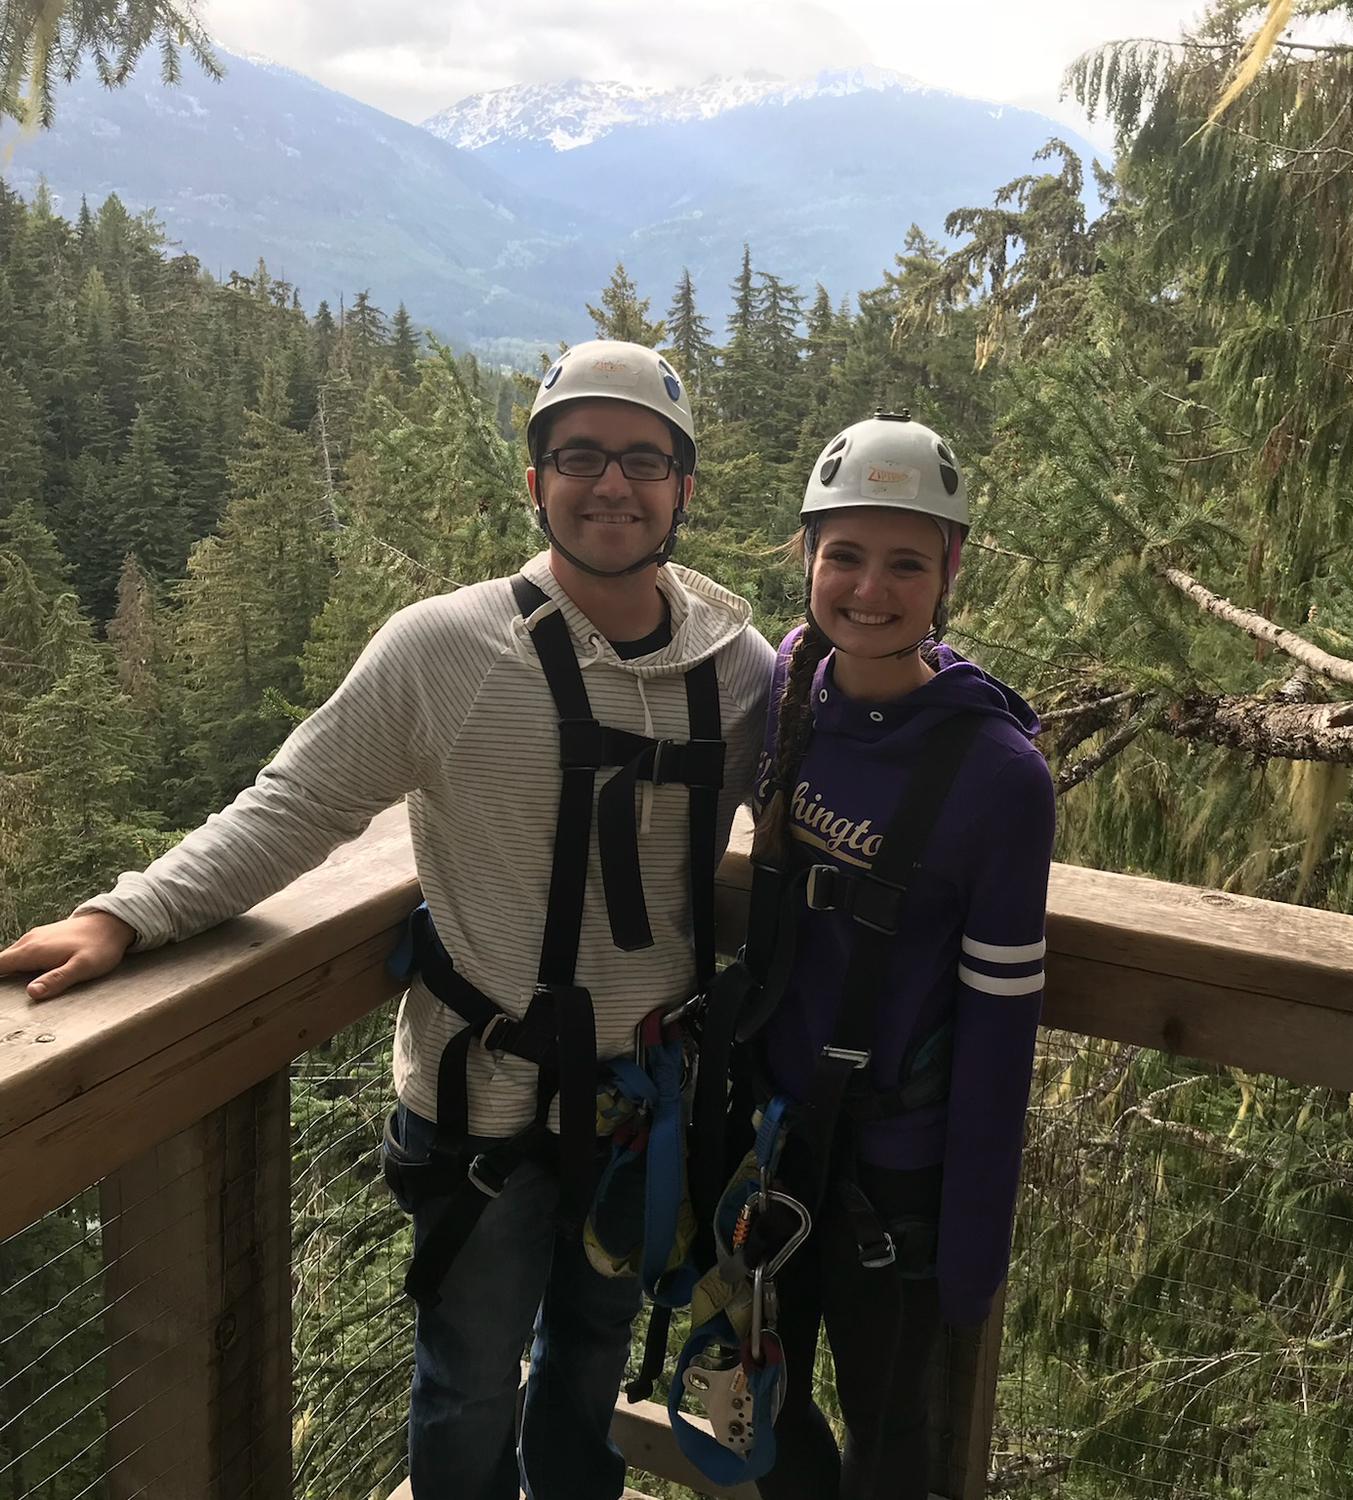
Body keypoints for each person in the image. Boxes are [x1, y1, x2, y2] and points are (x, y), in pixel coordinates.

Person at [0, 340, 775, 1500]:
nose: (610, 484)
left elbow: (835, 805)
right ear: (535, 482)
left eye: (641, 459)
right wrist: (127, 916)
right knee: (465, 1386)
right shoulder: (448, 650)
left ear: (682, 489)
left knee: (588, 1371)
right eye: (578, 456)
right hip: (483, 1106)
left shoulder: (743, 673)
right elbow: (298, 802)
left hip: (639, 1114)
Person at [738, 413, 1054, 1500]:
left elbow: (1002, 1026)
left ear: (951, 570)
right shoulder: (789, 696)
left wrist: (972, 1249)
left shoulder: (999, 776)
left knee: (891, 1438)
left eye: (906, 562)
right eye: (846, 556)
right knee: (764, 1409)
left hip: (897, 1179)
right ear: (808, 555)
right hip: (772, 1146)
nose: (870, 590)